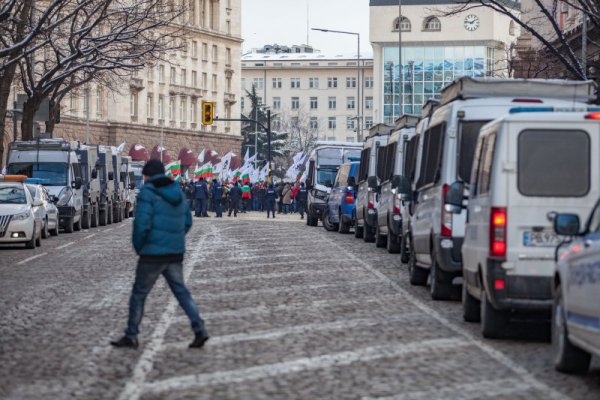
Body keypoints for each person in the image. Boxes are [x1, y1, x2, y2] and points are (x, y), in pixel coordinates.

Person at [110, 159, 209, 349]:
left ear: (147, 176)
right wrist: (175, 240)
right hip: (174, 253)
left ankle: (131, 335)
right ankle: (200, 329)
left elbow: (141, 224)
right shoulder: (177, 191)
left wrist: (140, 248)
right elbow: (187, 221)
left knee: (139, 294)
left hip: (152, 254)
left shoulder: (148, 192)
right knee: (181, 292)